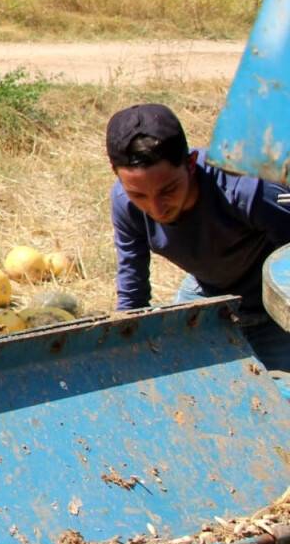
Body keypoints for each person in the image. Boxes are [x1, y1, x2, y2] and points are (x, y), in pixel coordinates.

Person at [107, 102, 290, 373]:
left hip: (275, 310)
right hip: (208, 295)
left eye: (168, 190)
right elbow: (132, 296)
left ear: (191, 164)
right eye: (139, 195)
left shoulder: (246, 189)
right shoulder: (125, 203)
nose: (156, 209)